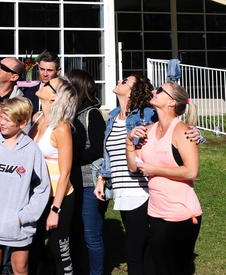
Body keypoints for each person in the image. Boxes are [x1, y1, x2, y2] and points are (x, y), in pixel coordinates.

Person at [126, 83, 202, 275]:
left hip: (181, 214)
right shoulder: (149, 130)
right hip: (156, 212)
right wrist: (129, 142)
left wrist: (155, 169)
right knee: (156, 267)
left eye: (159, 90)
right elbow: (134, 166)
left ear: (171, 103)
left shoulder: (182, 131)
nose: (153, 91)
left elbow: (192, 171)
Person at [0, 98, 51, 275]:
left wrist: (23, 217)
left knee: (20, 267)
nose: (2, 123)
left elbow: (41, 189)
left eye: (8, 119)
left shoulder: (32, 151)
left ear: (22, 123)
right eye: (2, 117)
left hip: (20, 227)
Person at [93, 74, 154, 275]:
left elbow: (168, 130)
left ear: (133, 90)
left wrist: (193, 133)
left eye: (126, 81)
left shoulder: (145, 114)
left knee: (135, 249)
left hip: (141, 190)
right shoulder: (112, 116)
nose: (120, 80)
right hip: (122, 190)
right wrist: (102, 179)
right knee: (139, 247)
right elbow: (108, 154)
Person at [28, 76, 76, 275]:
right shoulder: (37, 118)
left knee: (59, 251)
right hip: (36, 195)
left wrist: (55, 210)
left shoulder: (62, 128)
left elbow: (65, 173)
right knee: (33, 249)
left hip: (59, 197)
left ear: (56, 98)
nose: (43, 82)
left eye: (49, 85)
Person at [68, 69, 106, 275]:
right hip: (72, 182)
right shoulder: (70, 113)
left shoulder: (92, 114)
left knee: (91, 233)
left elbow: (98, 149)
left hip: (89, 181)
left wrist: (72, 159)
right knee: (75, 230)